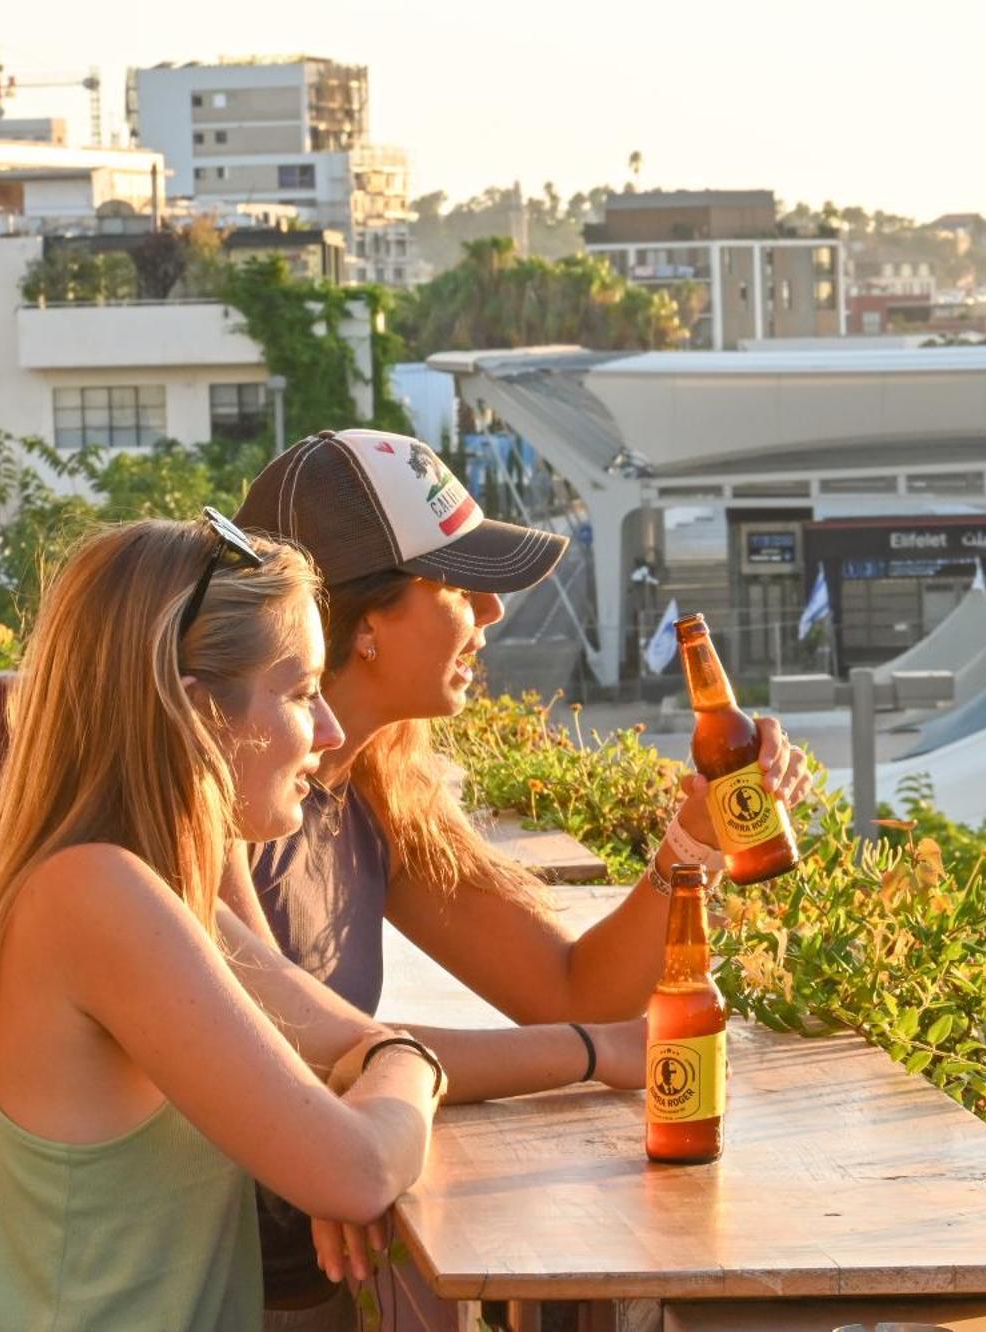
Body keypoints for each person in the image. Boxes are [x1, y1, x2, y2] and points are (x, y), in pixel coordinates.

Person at [231, 430, 815, 1323]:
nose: (493, 613)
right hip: (233, 1280)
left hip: (325, 1267)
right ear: (366, 623)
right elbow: (309, 1066)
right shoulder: (223, 807)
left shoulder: (375, 786)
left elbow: (569, 987)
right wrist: (594, 1055)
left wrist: (691, 843)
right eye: (459, 587)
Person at [0, 517, 437, 1328]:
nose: (332, 732)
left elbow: (345, 1055)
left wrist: (380, 1070)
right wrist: (407, 1063)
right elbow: (356, 1170)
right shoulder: (97, 899)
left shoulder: (159, 898)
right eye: (303, 692)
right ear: (199, 715)